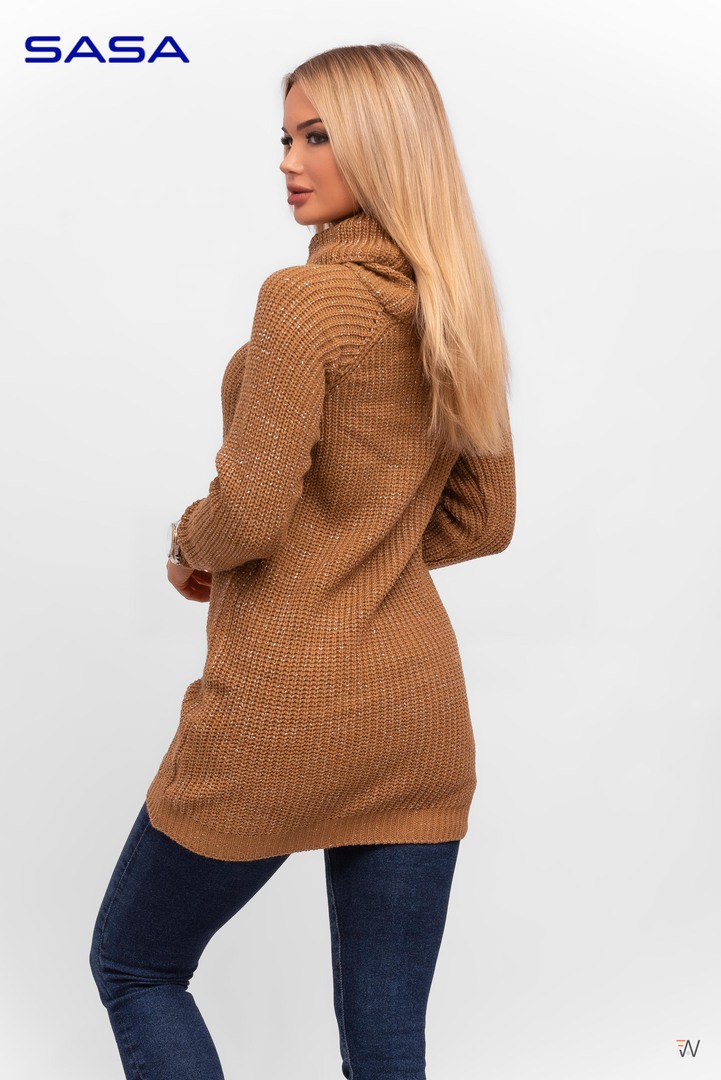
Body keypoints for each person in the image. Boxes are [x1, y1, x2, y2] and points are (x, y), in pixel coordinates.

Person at [89, 43, 516, 1080]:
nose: (289, 160)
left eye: (317, 136)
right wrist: (365, 545)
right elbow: (482, 522)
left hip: (285, 708)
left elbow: (246, 515)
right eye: (285, 136)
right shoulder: (454, 305)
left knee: (136, 964)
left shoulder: (304, 301)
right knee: (384, 1038)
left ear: (386, 147)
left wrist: (186, 543)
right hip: (418, 718)